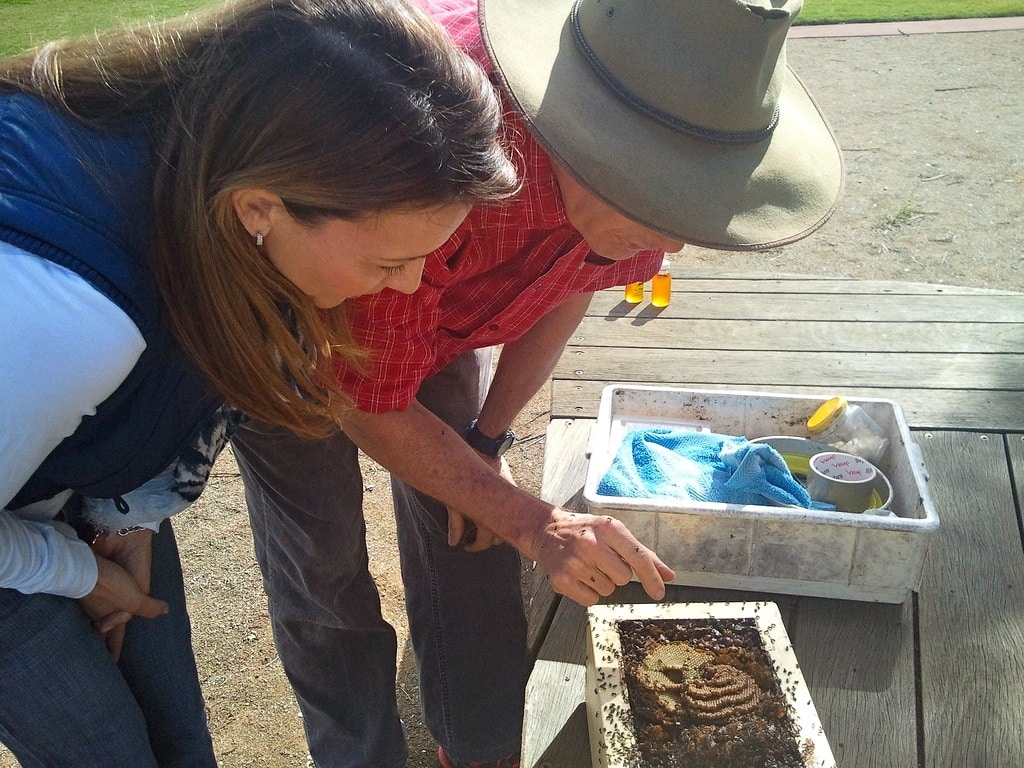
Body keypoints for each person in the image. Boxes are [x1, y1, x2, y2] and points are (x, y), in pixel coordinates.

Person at [231, 0, 843, 766]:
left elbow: (573, 282)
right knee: (321, 564)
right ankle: (358, 753)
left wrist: (488, 441)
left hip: (433, 304)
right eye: (667, 194)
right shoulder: (439, 158)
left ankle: (478, 743)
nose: (677, 238)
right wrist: (533, 522)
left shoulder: (628, 191)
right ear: (593, 143)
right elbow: (364, 398)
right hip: (299, 307)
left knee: (471, 529)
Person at [0, 0, 520, 765]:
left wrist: (128, 516)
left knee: (176, 740)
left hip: (75, 486)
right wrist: (77, 573)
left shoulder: (225, 188)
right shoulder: (68, 318)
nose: (409, 290)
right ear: (260, 209)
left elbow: (172, 394)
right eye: (387, 264)